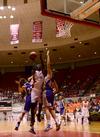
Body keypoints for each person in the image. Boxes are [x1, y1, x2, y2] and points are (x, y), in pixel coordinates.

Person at [43, 50, 60, 132]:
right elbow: (57, 90)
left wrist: (48, 55)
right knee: (51, 109)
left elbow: (48, 65)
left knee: (46, 108)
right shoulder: (54, 81)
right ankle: (57, 122)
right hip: (51, 93)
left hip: (46, 93)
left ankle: (49, 124)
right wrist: (52, 92)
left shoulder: (48, 76)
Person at [29, 64, 44, 134]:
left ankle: (38, 115)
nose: (39, 66)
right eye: (38, 66)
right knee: (33, 108)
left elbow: (43, 66)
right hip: (34, 91)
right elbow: (33, 70)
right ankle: (32, 125)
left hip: (39, 91)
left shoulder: (42, 74)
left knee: (41, 104)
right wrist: (33, 61)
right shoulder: (35, 73)